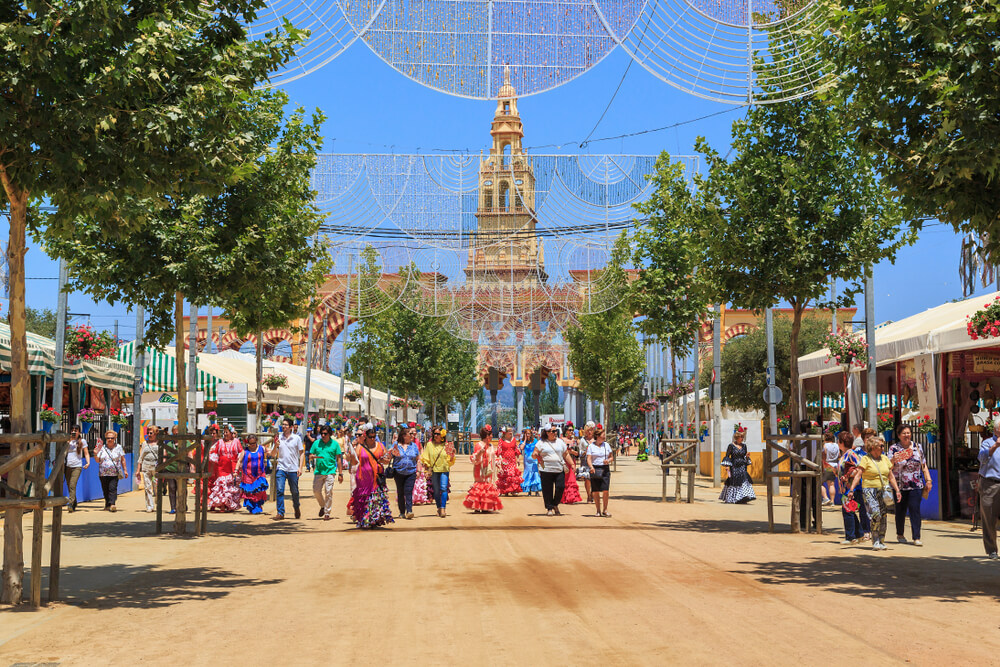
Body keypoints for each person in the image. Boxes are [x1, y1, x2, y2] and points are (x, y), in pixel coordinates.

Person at [847, 436, 901, 551]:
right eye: (880, 445)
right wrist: (851, 489)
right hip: (869, 490)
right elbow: (858, 475)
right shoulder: (866, 459)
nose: (882, 447)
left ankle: (881, 540)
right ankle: (875, 539)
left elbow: (890, 476)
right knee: (875, 514)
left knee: (883, 516)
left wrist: (897, 490)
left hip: (884, 490)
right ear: (872, 447)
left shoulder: (885, 459)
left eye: (883, 445)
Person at [888, 424, 931, 546]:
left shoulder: (918, 447)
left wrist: (928, 480)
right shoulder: (894, 449)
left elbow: (923, 465)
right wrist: (893, 460)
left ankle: (916, 537)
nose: (906, 435)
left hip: (916, 484)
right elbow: (888, 467)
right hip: (899, 485)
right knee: (900, 510)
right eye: (904, 433)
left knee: (915, 510)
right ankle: (900, 534)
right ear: (899, 435)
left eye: (908, 433)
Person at [350, 423, 394, 528]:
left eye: (374, 436)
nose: (373, 439)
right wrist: (349, 456)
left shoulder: (380, 446)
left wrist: (386, 459)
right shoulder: (359, 447)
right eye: (370, 437)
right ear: (365, 436)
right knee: (365, 499)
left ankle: (375, 519)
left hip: (377, 477)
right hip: (363, 478)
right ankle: (365, 519)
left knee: (376, 498)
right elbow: (354, 462)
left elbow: (387, 460)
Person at [533, 426, 575, 516]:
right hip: (546, 469)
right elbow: (534, 454)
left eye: (556, 431)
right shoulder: (541, 443)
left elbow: (566, 454)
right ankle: (549, 508)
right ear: (547, 432)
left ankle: (555, 504)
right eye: (553, 431)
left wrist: (572, 464)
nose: (555, 432)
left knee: (561, 487)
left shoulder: (560, 442)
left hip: (559, 468)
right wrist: (535, 454)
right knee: (547, 489)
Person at [269, 418, 304, 520]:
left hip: (293, 469)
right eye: (282, 425)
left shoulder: (296, 438)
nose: (283, 426)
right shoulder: (278, 438)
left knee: (295, 492)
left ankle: (296, 507)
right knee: (279, 490)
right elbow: (272, 454)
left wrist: (300, 467)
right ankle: (280, 513)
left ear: (291, 427)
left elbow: (301, 454)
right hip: (281, 468)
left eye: (286, 425)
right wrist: (276, 445)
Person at [464, 425, 503, 513]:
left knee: (488, 486)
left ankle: (485, 506)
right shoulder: (479, 445)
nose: (492, 437)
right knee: (480, 486)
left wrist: (499, 466)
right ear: (486, 436)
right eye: (491, 435)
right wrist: (480, 453)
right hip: (480, 470)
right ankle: (478, 506)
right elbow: (474, 458)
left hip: (489, 470)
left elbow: (494, 457)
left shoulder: (491, 446)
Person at [420, 426, 456, 517]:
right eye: (434, 434)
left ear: (442, 435)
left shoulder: (447, 445)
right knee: (436, 491)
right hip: (434, 470)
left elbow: (450, 460)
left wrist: (452, 455)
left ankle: (443, 508)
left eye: (438, 434)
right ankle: (439, 507)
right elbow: (425, 457)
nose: (436, 435)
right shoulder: (429, 445)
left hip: (444, 469)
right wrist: (427, 469)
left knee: (443, 488)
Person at [977, 416, 1000, 559]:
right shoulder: (987, 443)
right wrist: (994, 446)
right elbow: (982, 458)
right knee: (989, 517)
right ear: (996, 430)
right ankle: (992, 549)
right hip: (990, 483)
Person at [310, 425, 344, 520]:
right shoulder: (316, 443)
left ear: (330, 434)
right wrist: (311, 457)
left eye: (325, 434)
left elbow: (338, 459)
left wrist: (340, 473)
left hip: (330, 471)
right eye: (322, 434)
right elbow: (311, 454)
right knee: (316, 491)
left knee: (328, 491)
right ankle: (322, 505)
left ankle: (327, 513)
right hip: (319, 471)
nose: (323, 435)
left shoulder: (335, 444)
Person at [837, 431, 866, 545]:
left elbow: (859, 468)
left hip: (851, 488)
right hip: (847, 487)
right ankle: (859, 534)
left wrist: (849, 475)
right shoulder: (845, 454)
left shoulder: (851, 454)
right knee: (851, 511)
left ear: (841, 442)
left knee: (847, 511)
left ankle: (850, 537)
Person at [207, 427, 243, 512]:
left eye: (227, 432)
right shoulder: (220, 442)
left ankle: (230, 505)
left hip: (233, 466)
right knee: (222, 485)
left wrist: (239, 462)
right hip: (222, 466)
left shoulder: (236, 441)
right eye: (224, 432)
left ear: (231, 433)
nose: (225, 434)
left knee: (231, 485)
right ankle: (222, 505)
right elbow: (215, 452)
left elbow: (241, 451)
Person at [719, 426, 755, 504]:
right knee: (735, 480)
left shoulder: (744, 446)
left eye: (743, 437)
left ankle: (744, 496)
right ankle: (734, 498)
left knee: (744, 479)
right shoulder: (731, 446)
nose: (742, 438)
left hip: (742, 465)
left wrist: (747, 456)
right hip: (734, 466)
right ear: (737, 437)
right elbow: (727, 456)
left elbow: (744, 456)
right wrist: (727, 466)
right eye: (741, 437)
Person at [390, 427, 420, 519]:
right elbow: (390, 456)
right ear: (403, 436)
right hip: (398, 472)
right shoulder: (396, 445)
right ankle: (402, 512)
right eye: (409, 434)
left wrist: (418, 470)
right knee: (400, 492)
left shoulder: (414, 445)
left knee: (408, 491)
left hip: (411, 472)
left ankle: (409, 510)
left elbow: (418, 459)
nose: (412, 436)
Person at [94, 430, 127, 512]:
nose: (110, 439)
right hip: (103, 473)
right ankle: (107, 504)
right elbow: (97, 460)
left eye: (112, 438)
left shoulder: (119, 447)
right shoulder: (102, 448)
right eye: (108, 438)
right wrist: (95, 454)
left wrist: (125, 470)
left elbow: (123, 459)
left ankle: (112, 504)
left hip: (114, 473)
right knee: (105, 489)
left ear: (115, 438)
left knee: (112, 488)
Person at [237, 434, 268, 514]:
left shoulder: (262, 448)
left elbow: (270, 454)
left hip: (259, 474)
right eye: (250, 443)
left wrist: (276, 446)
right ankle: (252, 507)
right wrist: (236, 470)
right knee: (250, 492)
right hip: (248, 475)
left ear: (256, 441)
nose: (252, 445)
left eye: (253, 443)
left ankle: (257, 506)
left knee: (258, 491)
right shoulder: (245, 451)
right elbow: (239, 461)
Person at [586, 427, 614, 517]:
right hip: (595, 469)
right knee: (596, 490)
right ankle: (598, 510)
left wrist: (608, 461)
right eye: (603, 435)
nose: (604, 437)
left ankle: (605, 509)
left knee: (605, 490)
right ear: (597, 436)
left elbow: (611, 457)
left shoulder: (606, 445)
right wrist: (591, 467)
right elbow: (589, 458)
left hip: (605, 468)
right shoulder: (591, 446)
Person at [65, 426, 90, 512]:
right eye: (72, 430)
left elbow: (86, 453)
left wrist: (88, 462)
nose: (74, 432)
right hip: (67, 466)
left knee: (72, 484)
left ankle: (70, 504)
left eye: (76, 431)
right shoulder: (68, 441)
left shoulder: (82, 441)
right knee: (69, 485)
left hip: (77, 466)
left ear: (79, 432)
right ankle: (74, 501)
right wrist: (68, 441)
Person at [137, 426, 160, 512]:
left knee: (157, 486)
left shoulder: (159, 444)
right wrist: (138, 470)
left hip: (156, 467)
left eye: (151, 433)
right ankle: (149, 505)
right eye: (148, 433)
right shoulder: (144, 444)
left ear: (156, 434)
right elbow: (141, 457)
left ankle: (158, 502)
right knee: (147, 486)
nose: (149, 435)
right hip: (146, 467)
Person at [496, 427, 523, 495]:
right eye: (510, 431)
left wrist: (518, 459)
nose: (511, 433)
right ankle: (505, 490)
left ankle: (513, 490)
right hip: (505, 460)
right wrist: (501, 459)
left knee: (512, 474)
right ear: (505, 433)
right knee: (506, 475)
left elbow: (516, 449)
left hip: (512, 460)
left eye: (512, 431)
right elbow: (499, 451)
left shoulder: (514, 440)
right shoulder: (501, 440)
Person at [561, 432, 583, 504]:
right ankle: (563, 497)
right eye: (569, 430)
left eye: (572, 430)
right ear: (566, 431)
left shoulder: (575, 441)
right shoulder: (561, 440)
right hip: (564, 461)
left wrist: (572, 452)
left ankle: (571, 497)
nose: (571, 432)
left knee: (571, 478)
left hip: (572, 461)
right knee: (564, 479)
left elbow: (578, 453)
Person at [520, 429, 542, 496]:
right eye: (526, 434)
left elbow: (538, 448)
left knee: (535, 473)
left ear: (531, 434)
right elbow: (521, 448)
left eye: (529, 433)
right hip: (527, 460)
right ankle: (529, 490)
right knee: (528, 474)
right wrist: (525, 440)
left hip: (534, 460)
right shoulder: (523, 442)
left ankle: (536, 491)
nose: (527, 435)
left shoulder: (535, 441)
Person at [579, 422, 595, 502]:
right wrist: (584, 452)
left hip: (594, 461)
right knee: (587, 479)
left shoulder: (595, 440)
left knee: (594, 479)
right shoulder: (582, 440)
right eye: (588, 430)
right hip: (585, 462)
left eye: (591, 430)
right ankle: (589, 494)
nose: (589, 432)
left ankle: (592, 493)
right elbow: (580, 452)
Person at [821, 432, 839, 506]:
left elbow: (823, 455)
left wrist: (823, 465)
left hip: (827, 464)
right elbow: (839, 455)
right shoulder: (837, 445)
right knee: (831, 484)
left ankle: (825, 498)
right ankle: (832, 501)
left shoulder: (825, 446)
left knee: (820, 482)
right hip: (835, 465)